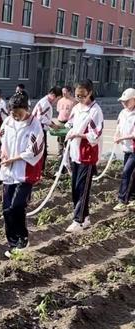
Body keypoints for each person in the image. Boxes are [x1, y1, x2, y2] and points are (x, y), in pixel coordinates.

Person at [0, 93, 44, 258]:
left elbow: (34, 151)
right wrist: (3, 155)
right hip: (8, 172)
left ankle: (23, 239)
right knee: (6, 209)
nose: (16, 117)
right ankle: (12, 243)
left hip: (25, 173)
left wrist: (14, 158)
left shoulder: (34, 125)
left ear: (27, 109)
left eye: (19, 113)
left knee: (17, 206)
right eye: (13, 113)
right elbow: (2, 139)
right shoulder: (8, 122)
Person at [65, 79, 104, 233]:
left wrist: (78, 134)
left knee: (83, 188)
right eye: (77, 96)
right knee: (75, 188)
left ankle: (78, 220)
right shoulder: (77, 108)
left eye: (83, 96)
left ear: (90, 93)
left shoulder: (95, 111)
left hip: (87, 155)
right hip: (75, 154)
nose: (80, 99)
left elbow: (96, 134)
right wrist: (60, 129)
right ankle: (85, 217)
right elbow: (69, 124)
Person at [113, 88, 135, 211]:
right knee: (132, 174)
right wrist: (117, 135)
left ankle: (122, 200)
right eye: (123, 101)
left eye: (127, 101)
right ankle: (132, 198)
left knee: (126, 172)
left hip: (134, 149)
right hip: (126, 148)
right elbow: (118, 126)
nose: (124, 103)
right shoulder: (122, 113)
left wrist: (121, 137)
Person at [32, 86, 63, 168]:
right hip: (39, 129)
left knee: (42, 150)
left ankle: (40, 170)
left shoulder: (46, 102)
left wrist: (53, 124)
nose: (56, 101)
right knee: (42, 151)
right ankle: (40, 170)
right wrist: (53, 125)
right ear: (53, 95)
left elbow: (45, 117)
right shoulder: (45, 103)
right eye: (58, 99)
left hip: (40, 128)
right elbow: (41, 118)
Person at [56, 86, 76, 160]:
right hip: (61, 121)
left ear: (69, 92)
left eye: (65, 92)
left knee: (68, 139)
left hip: (69, 122)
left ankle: (69, 154)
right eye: (62, 92)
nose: (63, 93)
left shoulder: (73, 101)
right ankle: (60, 154)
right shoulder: (60, 100)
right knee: (60, 139)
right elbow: (59, 110)